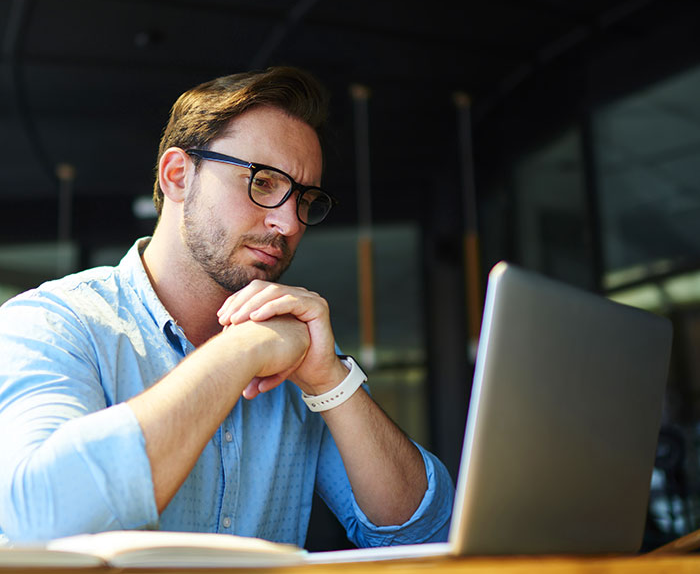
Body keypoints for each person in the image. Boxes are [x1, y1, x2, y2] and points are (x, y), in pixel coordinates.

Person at [0, 66, 454, 547]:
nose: (288, 223)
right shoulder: (51, 323)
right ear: (178, 176)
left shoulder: (297, 356)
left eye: (305, 200)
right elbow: (38, 520)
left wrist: (330, 381)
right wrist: (239, 352)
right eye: (263, 182)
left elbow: (427, 535)